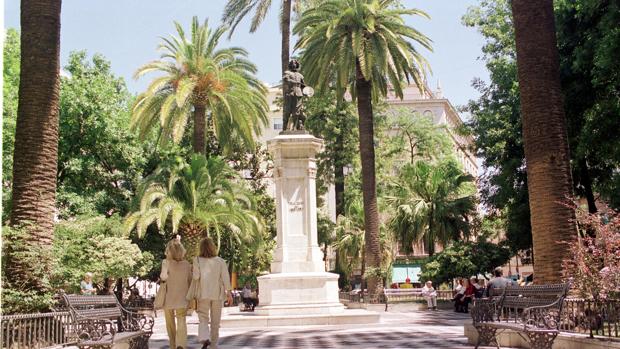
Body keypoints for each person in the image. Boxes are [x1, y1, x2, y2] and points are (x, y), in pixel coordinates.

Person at [194, 237, 233, 349]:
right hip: (217, 294)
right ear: (213, 247)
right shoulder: (220, 261)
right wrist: (229, 293)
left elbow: (196, 277)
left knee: (203, 318)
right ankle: (214, 346)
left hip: (203, 293)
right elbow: (226, 278)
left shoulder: (197, 260)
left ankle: (204, 338)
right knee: (215, 322)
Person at [161, 238, 192, 349]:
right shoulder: (187, 264)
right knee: (181, 320)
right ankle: (181, 345)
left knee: (170, 324)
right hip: (183, 298)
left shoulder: (166, 262)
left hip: (168, 297)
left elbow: (163, 277)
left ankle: (173, 346)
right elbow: (190, 281)